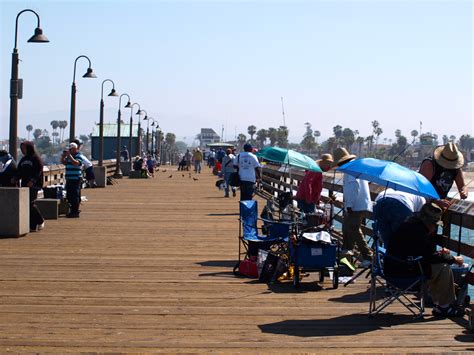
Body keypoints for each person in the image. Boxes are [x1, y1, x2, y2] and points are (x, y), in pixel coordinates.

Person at [385, 202, 465, 318]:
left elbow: (420, 253)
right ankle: (444, 307)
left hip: (392, 270)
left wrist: (438, 254)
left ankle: (440, 304)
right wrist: (453, 259)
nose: (435, 227)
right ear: (428, 222)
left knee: (437, 265)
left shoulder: (409, 224)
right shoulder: (419, 231)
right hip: (403, 273)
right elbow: (428, 257)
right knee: (443, 268)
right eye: (434, 224)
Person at [334, 147, 372, 267]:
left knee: (354, 230)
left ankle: (368, 257)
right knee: (350, 229)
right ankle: (347, 255)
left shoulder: (350, 170)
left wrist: (349, 205)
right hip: (361, 204)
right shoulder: (355, 167)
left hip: (355, 206)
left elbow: (353, 188)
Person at [13, 141, 45, 231]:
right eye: (21, 149)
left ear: (29, 148)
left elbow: (39, 170)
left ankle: (40, 220)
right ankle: (32, 225)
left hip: (34, 185)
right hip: (24, 185)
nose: (22, 150)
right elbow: (19, 171)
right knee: (26, 205)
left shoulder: (36, 158)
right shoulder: (23, 160)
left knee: (30, 203)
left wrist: (33, 181)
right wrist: (15, 178)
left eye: (24, 148)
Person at [61, 142, 83, 218]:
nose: (69, 151)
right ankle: (72, 210)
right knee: (70, 195)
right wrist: (63, 157)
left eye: (70, 149)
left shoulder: (78, 156)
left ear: (74, 149)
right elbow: (64, 162)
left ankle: (75, 212)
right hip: (69, 179)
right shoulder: (69, 156)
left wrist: (69, 156)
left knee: (75, 195)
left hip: (76, 178)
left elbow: (76, 163)